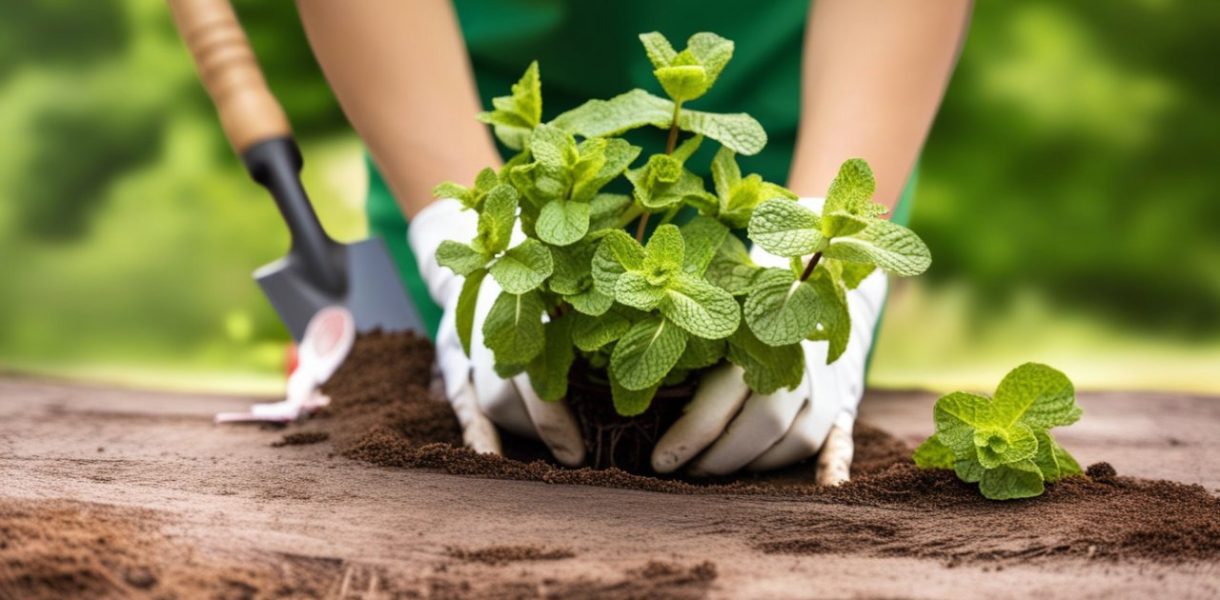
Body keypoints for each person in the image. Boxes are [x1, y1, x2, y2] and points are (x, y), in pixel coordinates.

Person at [296, 0, 973, 483]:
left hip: (808, 126)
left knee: (781, 420)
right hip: (461, 127)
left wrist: (824, 267)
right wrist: (459, 230)